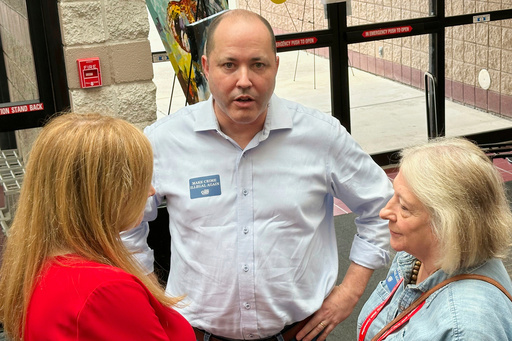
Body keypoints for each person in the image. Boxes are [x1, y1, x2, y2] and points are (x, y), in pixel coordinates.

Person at [122, 9, 393, 341]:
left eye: (258, 64)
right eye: (229, 64)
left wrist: (350, 292)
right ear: (206, 67)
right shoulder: (164, 141)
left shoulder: (321, 137)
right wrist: (151, 297)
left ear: (276, 67)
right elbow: (124, 225)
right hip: (195, 334)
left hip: (300, 333)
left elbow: (383, 208)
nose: (244, 80)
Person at [0, 113, 196, 341]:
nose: (151, 191)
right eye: (141, 180)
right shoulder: (105, 289)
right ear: (105, 193)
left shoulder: (41, 266)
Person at [357, 137, 512, 340]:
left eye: (404, 207)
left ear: (448, 224)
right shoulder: (417, 256)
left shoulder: (466, 329)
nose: (385, 212)